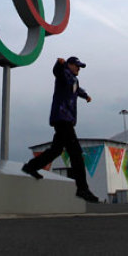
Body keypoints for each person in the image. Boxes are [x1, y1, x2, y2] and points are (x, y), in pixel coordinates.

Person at [22, 56, 99, 203]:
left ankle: (31, 167)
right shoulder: (63, 73)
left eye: (80, 67)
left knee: (56, 150)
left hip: (67, 119)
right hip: (62, 119)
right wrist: (59, 63)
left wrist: (86, 96)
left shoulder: (74, 80)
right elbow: (56, 72)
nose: (79, 69)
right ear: (69, 65)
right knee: (75, 152)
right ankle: (82, 188)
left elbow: (77, 90)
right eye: (77, 66)